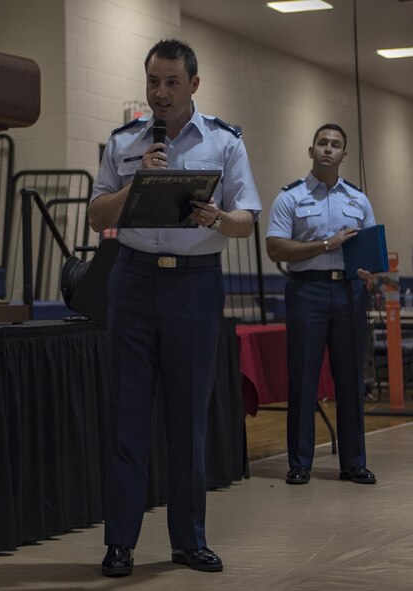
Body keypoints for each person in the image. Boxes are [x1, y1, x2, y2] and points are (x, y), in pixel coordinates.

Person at [88, 38, 261, 577]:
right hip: (133, 282)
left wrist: (216, 218)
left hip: (195, 285)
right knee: (126, 420)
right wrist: (139, 180)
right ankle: (119, 542)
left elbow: (247, 218)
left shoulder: (225, 142)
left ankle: (188, 540)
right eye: (152, 82)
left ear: (194, 84)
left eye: (171, 83)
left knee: (188, 419)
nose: (160, 93)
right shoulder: (124, 143)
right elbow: (97, 215)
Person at [265, 123, 377, 487]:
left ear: (345, 155)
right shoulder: (291, 197)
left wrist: (370, 273)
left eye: (336, 145)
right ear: (310, 150)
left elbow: (372, 253)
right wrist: (327, 245)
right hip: (306, 292)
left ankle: (354, 463)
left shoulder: (358, 200)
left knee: (350, 380)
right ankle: (299, 463)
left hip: (349, 293)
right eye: (322, 143)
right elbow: (275, 248)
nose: (328, 149)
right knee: (303, 379)